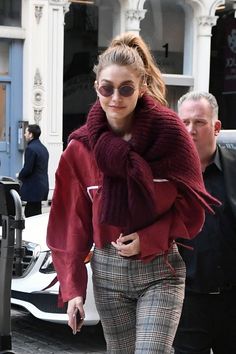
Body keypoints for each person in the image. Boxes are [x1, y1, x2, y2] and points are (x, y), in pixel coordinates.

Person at [46, 33, 219, 354]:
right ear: (96, 86)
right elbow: (71, 224)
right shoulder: (80, 149)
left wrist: (150, 237)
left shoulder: (172, 138)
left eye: (126, 88)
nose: (115, 98)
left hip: (161, 271)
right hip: (108, 276)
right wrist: (73, 291)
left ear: (141, 87)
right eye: (106, 88)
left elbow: (193, 211)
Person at [173, 91, 236, 354]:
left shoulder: (234, 170)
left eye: (199, 122)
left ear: (216, 127)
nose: (191, 130)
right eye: (185, 122)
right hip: (187, 305)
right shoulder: (167, 176)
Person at [18, 124, 49, 217]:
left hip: (33, 188)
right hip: (41, 186)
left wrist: (20, 176)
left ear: (31, 135)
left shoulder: (30, 148)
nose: (24, 134)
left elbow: (28, 168)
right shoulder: (43, 148)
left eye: (26, 132)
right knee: (36, 213)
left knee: (30, 214)